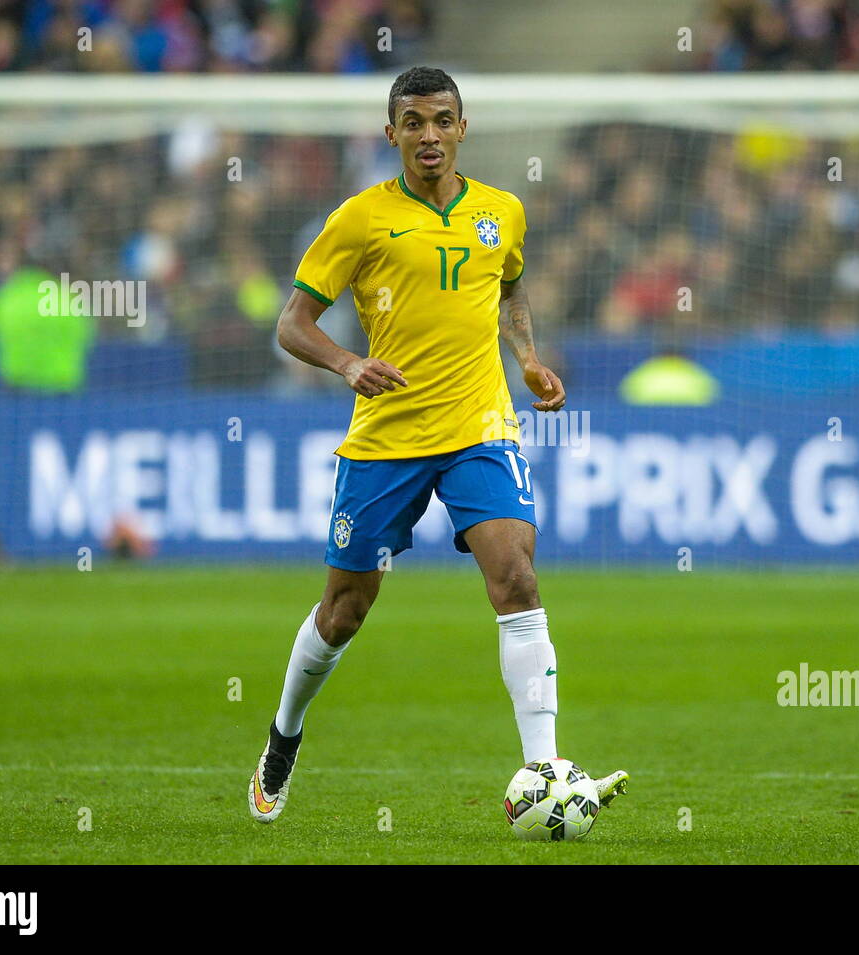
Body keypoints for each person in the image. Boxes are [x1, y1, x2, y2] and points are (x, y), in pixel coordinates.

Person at [248, 67, 628, 823]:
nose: (429, 135)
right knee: (344, 611)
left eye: (442, 120)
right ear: (391, 133)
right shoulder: (360, 219)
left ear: (463, 127)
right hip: (388, 434)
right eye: (413, 122)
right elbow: (292, 323)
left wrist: (524, 357)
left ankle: (545, 764)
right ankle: (284, 734)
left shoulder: (502, 211)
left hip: (480, 426)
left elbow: (509, 285)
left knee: (515, 574)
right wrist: (349, 363)